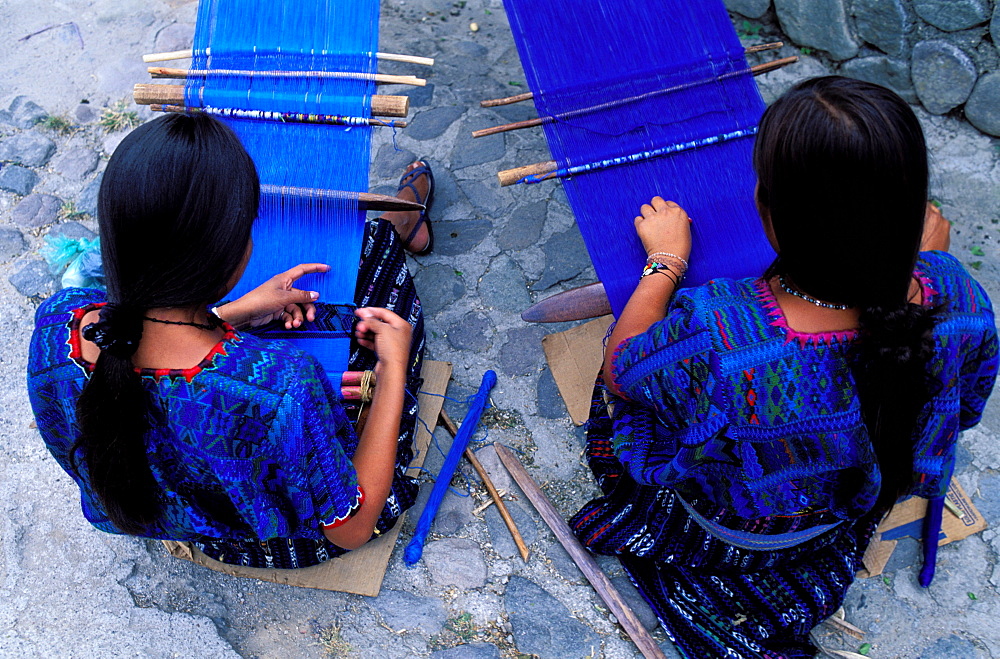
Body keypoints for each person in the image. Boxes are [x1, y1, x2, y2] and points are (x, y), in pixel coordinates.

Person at [568, 76, 998, 658]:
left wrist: (665, 262)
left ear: (766, 215)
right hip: (846, 504)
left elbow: (622, 368)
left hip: (740, 520)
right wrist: (933, 261)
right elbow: (959, 401)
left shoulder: (721, 337)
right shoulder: (962, 299)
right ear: (916, 209)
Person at [27, 112, 433, 569]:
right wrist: (394, 370)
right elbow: (351, 527)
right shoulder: (282, 388)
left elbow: (141, 352)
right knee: (379, 256)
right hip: (268, 540)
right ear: (229, 255)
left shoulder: (57, 324)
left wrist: (233, 314)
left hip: (169, 515)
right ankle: (399, 229)